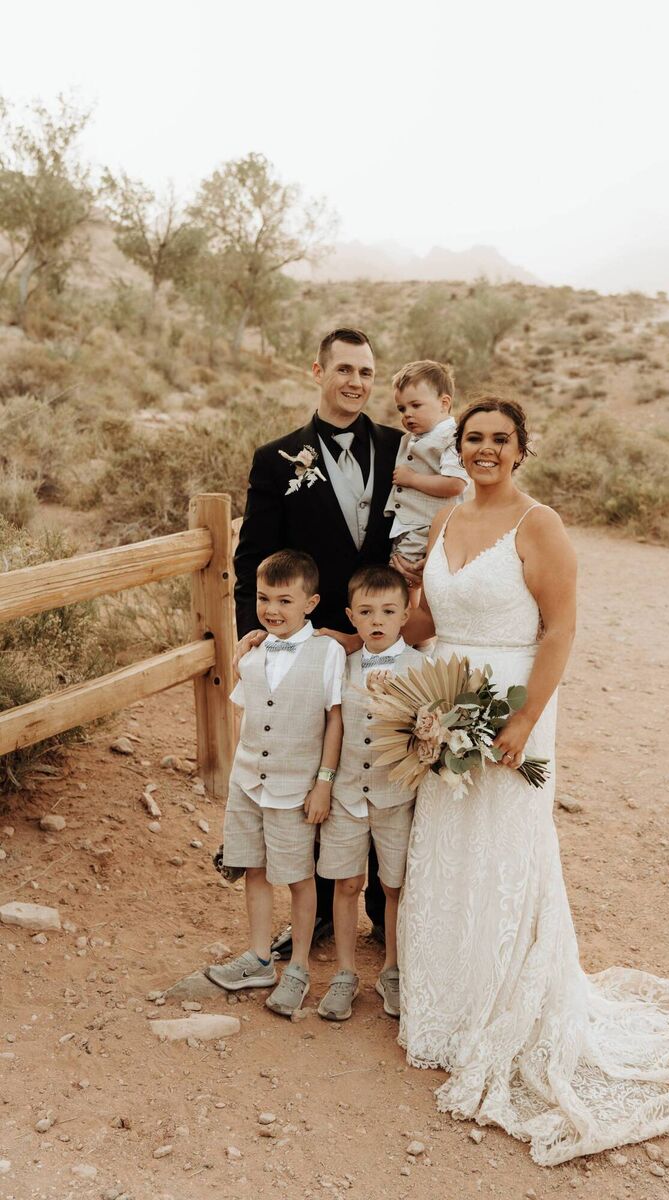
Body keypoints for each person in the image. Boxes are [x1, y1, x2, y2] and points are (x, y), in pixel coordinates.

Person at [397, 397, 669, 1164]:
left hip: (511, 702)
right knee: (446, 844)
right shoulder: (446, 518)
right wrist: (377, 625)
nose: (485, 449)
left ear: (521, 450)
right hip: (445, 699)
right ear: (459, 448)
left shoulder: (540, 525)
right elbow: (425, 623)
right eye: (473, 438)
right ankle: (446, 1005)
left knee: (506, 847)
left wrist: (523, 720)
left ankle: (505, 1006)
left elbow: (560, 628)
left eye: (500, 440)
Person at [234, 328, 407, 958]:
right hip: (314, 643)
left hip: (385, 638)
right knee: (317, 767)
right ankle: (327, 913)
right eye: (344, 369)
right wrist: (256, 636)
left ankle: (385, 911)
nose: (356, 382)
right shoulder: (276, 459)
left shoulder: (399, 447)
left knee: (383, 761)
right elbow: (253, 555)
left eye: (366, 371)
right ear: (318, 371)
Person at [207, 550, 344, 1017]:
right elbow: (248, 710)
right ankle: (260, 957)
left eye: (285, 601)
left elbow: (335, 720)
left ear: (311, 603)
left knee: (299, 877)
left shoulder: (327, 653)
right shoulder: (255, 649)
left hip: (295, 789)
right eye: (264, 598)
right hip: (248, 782)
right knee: (255, 869)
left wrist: (324, 782)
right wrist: (244, 655)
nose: (272, 609)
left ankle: (299, 967)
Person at [316, 565, 426, 1021]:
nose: (376, 620)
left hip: (395, 797)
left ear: (405, 615)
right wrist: (324, 784)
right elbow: (333, 725)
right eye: (365, 612)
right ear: (351, 617)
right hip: (346, 795)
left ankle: (392, 969)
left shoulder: (421, 668)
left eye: (387, 611)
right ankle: (345, 973)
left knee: (394, 885)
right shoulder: (342, 665)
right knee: (345, 883)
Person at [384, 360, 468, 575]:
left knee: (399, 575)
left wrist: (412, 479)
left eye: (416, 405)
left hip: (428, 526)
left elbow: (455, 484)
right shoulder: (412, 438)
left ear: (444, 403)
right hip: (407, 524)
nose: (407, 414)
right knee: (400, 571)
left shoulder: (452, 437)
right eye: (402, 409)